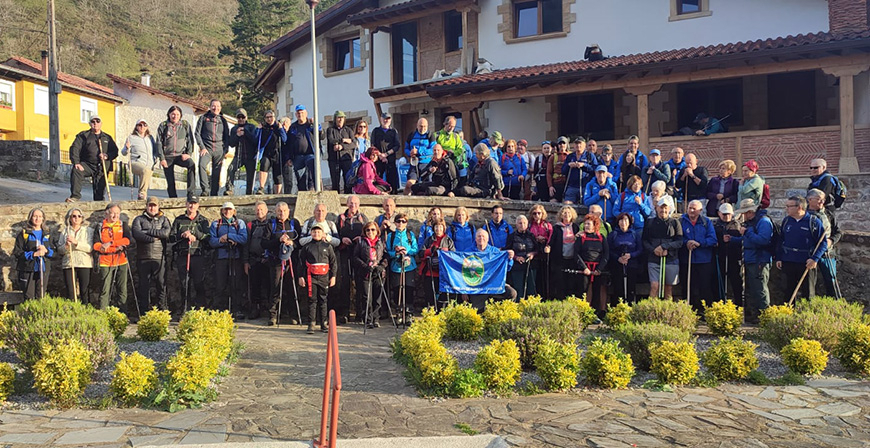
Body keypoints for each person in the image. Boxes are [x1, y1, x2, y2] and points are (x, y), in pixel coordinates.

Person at [728, 198, 771, 322]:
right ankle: (755, 315)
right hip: (751, 259)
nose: (743, 216)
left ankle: (764, 317)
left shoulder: (763, 222)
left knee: (760, 289)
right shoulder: (752, 222)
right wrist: (733, 239)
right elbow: (747, 241)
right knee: (752, 289)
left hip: (759, 260)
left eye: (744, 213)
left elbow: (763, 240)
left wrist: (747, 232)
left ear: (750, 211)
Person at [777, 196, 826, 302]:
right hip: (788, 260)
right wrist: (779, 257)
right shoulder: (786, 221)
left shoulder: (813, 222)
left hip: (806, 262)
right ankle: (788, 315)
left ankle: (807, 316)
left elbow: (823, 243)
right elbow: (781, 240)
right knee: (788, 291)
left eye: (789, 206)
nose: (787, 209)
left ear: (799, 207)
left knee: (808, 293)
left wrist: (815, 259)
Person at [169, 196, 210, 314]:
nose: (192, 206)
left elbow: (208, 238)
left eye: (194, 204)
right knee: (184, 284)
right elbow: (171, 238)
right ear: (186, 204)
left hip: (197, 256)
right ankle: (185, 310)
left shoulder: (203, 220)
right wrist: (182, 235)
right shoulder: (179, 220)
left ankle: (201, 310)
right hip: (183, 255)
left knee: (199, 283)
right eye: (190, 204)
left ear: (198, 205)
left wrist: (196, 234)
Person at [132, 196, 171, 314]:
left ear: (158, 207)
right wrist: (153, 238)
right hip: (143, 257)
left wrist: (147, 231)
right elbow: (137, 234)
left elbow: (166, 233)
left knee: (161, 284)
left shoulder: (164, 219)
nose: (152, 208)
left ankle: (162, 310)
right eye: (150, 205)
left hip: (159, 257)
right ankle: (144, 311)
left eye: (154, 205)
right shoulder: (138, 219)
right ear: (146, 206)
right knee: (144, 285)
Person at [264, 202, 301, 325]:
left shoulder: (294, 223)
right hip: (276, 261)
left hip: (291, 261)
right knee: (275, 287)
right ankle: (272, 315)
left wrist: (292, 243)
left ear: (288, 211)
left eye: (284, 210)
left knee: (291, 287)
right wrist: (278, 241)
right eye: (279, 211)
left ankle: (293, 314)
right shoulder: (270, 224)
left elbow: (300, 242)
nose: (282, 213)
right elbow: (264, 243)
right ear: (275, 211)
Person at [209, 202, 249, 317]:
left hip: (235, 257)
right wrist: (221, 240)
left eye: (230, 210)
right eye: (225, 210)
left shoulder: (239, 223)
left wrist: (229, 236)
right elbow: (211, 241)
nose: (227, 212)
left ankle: (236, 309)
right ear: (222, 211)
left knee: (236, 284)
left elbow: (244, 238)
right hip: (221, 258)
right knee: (220, 284)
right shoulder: (216, 224)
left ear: (234, 211)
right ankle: (218, 310)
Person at [67, 116, 119, 202]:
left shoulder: (107, 137)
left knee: (99, 192)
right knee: (76, 171)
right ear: (90, 123)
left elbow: (115, 151)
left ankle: (99, 203)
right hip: (87, 164)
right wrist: (76, 162)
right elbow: (75, 148)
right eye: (93, 121)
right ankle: (75, 197)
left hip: (102, 166)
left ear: (101, 123)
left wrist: (107, 156)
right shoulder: (83, 136)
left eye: (97, 121)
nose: (95, 123)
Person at [297, 223, 338, 334]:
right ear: (311, 233)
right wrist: (301, 276)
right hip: (311, 278)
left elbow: (333, 263)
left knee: (323, 300)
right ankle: (311, 324)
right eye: (314, 232)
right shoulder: (307, 247)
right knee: (312, 300)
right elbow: (301, 263)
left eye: (319, 232)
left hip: (324, 278)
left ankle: (323, 324)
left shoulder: (328, 247)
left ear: (323, 233)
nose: (316, 233)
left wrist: (333, 276)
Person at [679, 200, 717, 312]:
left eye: (694, 209)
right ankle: (688, 311)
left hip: (703, 260)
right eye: (689, 208)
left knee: (704, 287)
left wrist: (699, 243)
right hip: (687, 260)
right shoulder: (681, 221)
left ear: (700, 210)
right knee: (687, 286)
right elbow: (677, 237)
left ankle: (704, 311)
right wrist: (687, 242)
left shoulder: (706, 222)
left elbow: (712, 239)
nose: (691, 210)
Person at [93, 203, 132, 312]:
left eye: (117, 213)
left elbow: (127, 241)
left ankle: (123, 315)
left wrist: (110, 243)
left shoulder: (123, 225)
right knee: (105, 289)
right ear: (107, 214)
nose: (115, 216)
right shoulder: (100, 227)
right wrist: (114, 248)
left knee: (122, 289)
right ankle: (103, 314)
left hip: (121, 261)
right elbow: (96, 245)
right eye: (112, 213)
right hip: (105, 261)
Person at [335, 195, 368, 323]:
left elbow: (369, 233)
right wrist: (342, 239)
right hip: (345, 251)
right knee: (345, 282)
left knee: (360, 281)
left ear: (358, 205)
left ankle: (360, 313)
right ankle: (344, 313)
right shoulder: (341, 218)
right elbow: (336, 234)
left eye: (355, 203)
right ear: (347, 204)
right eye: (350, 203)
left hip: (359, 252)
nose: (353, 205)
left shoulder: (363, 218)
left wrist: (361, 238)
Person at [643, 197, 682, 300]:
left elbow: (679, 241)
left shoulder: (675, 223)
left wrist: (665, 247)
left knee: (668, 288)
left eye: (665, 208)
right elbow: (644, 241)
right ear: (656, 208)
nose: (663, 211)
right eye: (661, 208)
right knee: (654, 286)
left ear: (669, 209)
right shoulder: (650, 222)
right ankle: (651, 312)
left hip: (671, 259)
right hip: (653, 259)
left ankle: (666, 312)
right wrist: (654, 250)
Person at [467, 229, 517, 311]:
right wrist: (464, 292)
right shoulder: (468, 252)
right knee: (477, 312)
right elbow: (463, 273)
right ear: (475, 239)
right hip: (477, 288)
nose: (481, 238)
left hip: (495, 285)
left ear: (487, 239)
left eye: (483, 236)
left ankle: (502, 313)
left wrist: (510, 259)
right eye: (479, 236)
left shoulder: (495, 251)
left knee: (512, 293)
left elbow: (507, 268)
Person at [155, 106, 197, 199]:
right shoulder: (163, 125)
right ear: (169, 114)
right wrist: (162, 158)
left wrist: (188, 154)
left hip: (180, 155)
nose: (175, 116)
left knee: (191, 165)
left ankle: (191, 193)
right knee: (170, 180)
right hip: (167, 156)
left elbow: (190, 140)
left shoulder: (185, 125)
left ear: (180, 115)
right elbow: (158, 143)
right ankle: (173, 198)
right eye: (173, 114)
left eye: (177, 114)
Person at [352, 222, 388, 328]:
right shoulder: (361, 242)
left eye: (373, 230)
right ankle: (367, 319)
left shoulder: (381, 242)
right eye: (368, 230)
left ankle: (375, 318)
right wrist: (364, 266)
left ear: (377, 231)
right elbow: (355, 257)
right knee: (366, 297)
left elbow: (386, 256)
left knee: (377, 297)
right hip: (365, 273)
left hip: (378, 273)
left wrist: (382, 266)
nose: (370, 232)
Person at [807, 189, 842, 298]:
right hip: (810, 254)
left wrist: (831, 241)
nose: (821, 202)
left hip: (827, 253)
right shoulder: (804, 215)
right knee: (809, 283)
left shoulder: (828, 214)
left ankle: (835, 304)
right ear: (809, 200)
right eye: (818, 199)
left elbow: (838, 232)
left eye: (823, 200)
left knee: (831, 280)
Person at [13, 208, 54, 300]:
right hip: (27, 269)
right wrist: (33, 254)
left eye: (40, 217)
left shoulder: (47, 234)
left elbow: (54, 252)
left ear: (43, 219)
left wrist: (46, 251)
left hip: (42, 269)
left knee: (41, 297)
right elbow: (17, 252)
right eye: (35, 216)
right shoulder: (24, 234)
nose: (37, 219)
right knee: (29, 296)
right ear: (30, 218)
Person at [385, 213, 417, 322]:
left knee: (409, 289)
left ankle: (408, 313)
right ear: (395, 223)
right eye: (398, 221)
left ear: (406, 223)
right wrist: (396, 253)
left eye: (403, 221)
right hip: (396, 266)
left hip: (409, 266)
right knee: (397, 289)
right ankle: (399, 312)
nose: (401, 223)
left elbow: (415, 249)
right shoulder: (391, 236)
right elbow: (388, 251)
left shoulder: (410, 235)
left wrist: (406, 251)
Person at [57, 207, 93, 303]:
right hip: (69, 263)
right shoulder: (65, 231)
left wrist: (76, 243)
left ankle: (86, 311)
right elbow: (59, 250)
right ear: (69, 218)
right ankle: (73, 310)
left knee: (84, 290)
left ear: (82, 218)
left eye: (79, 216)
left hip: (84, 263)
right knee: (70, 291)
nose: (76, 218)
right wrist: (66, 246)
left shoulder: (88, 231)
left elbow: (90, 248)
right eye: (74, 216)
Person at [244, 201, 273, 321]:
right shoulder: (251, 225)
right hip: (253, 260)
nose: (259, 212)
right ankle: (255, 309)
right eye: (257, 210)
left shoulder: (271, 224)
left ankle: (269, 309)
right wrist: (245, 261)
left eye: (261, 209)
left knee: (270, 286)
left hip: (268, 259)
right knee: (254, 286)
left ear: (266, 211)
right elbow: (246, 244)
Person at [576, 215, 609, 318]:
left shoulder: (601, 238)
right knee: (584, 290)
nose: (586, 226)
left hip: (597, 269)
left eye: (588, 224)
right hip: (584, 268)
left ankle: (596, 314)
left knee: (597, 291)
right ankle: (583, 312)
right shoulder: (581, 238)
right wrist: (584, 268)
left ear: (595, 225)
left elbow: (606, 254)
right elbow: (576, 254)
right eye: (585, 224)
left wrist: (599, 269)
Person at [195, 99, 230, 196]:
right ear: (210, 107)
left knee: (216, 171)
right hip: (207, 147)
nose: (216, 108)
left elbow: (227, 136)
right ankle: (205, 190)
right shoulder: (203, 118)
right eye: (213, 106)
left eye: (218, 106)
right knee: (201, 165)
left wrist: (225, 150)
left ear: (220, 108)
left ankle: (214, 193)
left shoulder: (223, 120)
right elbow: (197, 133)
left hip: (219, 149)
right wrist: (202, 147)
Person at [417, 217, 453, 309]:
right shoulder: (428, 240)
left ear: (444, 228)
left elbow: (453, 256)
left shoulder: (448, 240)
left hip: (443, 273)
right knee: (430, 295)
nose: (438, 229)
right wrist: (431, 251)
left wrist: (444, 251)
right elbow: (421, 253)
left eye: (440, 227)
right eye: (436, 227)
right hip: (430, 272)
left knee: (442, 297)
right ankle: (431, 313)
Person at [546, 205, 581, 300]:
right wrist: (548, 247)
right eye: (564, 213)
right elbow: (551, 241)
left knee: (571, 282)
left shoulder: (575, 227)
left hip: (572, 258)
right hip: (560, 258)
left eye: (569, 213)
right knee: (560, 282)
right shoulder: (557, 228)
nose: (567, 215)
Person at [608, 212, 643, 304]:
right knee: (618, 288)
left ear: (629, 222)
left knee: (631, 288)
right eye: (621, 220)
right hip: (617, 265)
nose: (624, 222)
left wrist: (630, 256)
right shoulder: (613, 235)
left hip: (632, 265)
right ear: (618, 222)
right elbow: (609, 250)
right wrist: (618, 258)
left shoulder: (635, 234)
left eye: (626, 220)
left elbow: (640, 250)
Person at [714, 203, 743, 306]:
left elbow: (742, 241)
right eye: (724, 214)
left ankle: (738, 305)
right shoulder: (715, 226)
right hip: (720, 257)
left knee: (736, 282)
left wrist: (732, 240)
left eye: (728, 214)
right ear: (719, 213)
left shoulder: (737, 225)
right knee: (719, 282)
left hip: (734, 257)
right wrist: (720, 241)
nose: (726, 216)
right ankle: (719, 304)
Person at [288, 105, 322, 192]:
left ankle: (317, 190)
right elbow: (289, 143)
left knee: (313, 168)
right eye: (298, 113)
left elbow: (322, 136)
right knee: (300, 177)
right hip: (298, 156)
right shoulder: (293, 127)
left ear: (306, 113)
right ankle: (302, 193)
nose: (300, 115)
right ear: (296, 114)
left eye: (302, 113)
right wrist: (289, 157)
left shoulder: (311, 124)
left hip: (310, 154)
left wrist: (315, 125)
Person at [254, 110, 288, 195]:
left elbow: (284, 139)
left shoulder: (278, 127)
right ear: (265, 119)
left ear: (274, 117)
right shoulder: (263, 127)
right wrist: (258, 130)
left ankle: (278, 194)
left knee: (277, 175)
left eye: (271, 117)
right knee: (264, 165)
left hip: (277, 153)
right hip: (267, 153)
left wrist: (280, 129)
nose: (269, 119)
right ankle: (261, 188)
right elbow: (255, 139)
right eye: (267, 117)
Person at [227, 108, 259, 195]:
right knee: (231, 169)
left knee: (250, 176)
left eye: (242, 117)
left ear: (246, 117)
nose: (241, 119)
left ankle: (249, 193)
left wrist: (246, 133)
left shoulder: (252, 127)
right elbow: (231, 143)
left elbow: (255, 140)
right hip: (239, 155)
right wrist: (237, 135)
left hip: (250, 156)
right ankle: (229, 189)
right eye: (239, 117)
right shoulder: (234, 129)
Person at [122, 119, 156, 200]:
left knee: (146, 176)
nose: (142, 127)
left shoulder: (150, 138)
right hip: (135, 163)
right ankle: (142, 193)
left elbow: (155, 150)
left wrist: (156, 160)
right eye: (140, 125)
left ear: (147, 127)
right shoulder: (131, 137)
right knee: (145, 171)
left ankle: (142, 199)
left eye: (144, 125)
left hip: (149, 164)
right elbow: (123, 153)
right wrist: (126, 148)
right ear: (136, 127)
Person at [506, 215, 537, 298]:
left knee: (531, 289)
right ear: (516, 224)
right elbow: (508, 250)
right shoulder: (512, 236)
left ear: (527, 224)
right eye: (520, 223)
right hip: (517, 266)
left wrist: (532, 254)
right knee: (518, 288)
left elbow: (537, 250)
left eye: (524, 223)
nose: (522, 225)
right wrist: (516, 257)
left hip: (530, 265)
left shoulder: (531, 236)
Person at [326, 111, 357, 193]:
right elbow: (331, 140)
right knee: (335, 181)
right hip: (334, 159)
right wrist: (344, 140)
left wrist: (342, 146)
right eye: (338, 118)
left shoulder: (348, 130)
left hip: (346, 159)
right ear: (335, 119)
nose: (340, 120)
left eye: (342, 118)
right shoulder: (330, 130)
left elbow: (354, 144)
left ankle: (347, 197)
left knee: (347, 180)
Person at [403, 118, 436, 194]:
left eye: (425, 126)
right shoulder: (411, 135)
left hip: (426, 164)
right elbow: (406, 149)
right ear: (417, 126)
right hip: (414, 163)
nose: (423, 128)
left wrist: (419, 151)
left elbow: (432, 150)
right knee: (409, 184)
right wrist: (410, 153)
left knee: (426, 187)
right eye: (421, 126)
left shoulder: (431, 135)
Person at [371, 112, 402, 191]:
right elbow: (372, 145)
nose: (386, 120)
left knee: (392, 181)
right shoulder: (376, 131)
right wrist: (381, 155)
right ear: (381, 119)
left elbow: (397, 146)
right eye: (384, 119)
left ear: (390, 120)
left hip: (390, 160)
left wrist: (386, 154)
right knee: (377, 180)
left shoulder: (394, 131)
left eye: (388, 119)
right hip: (378, 160)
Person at [528, 204, 553, 299]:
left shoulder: (547, 225)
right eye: (534, 213)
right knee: (535, 277)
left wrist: (544, 238)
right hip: (534, 252)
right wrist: (535, 238)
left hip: (544, 253)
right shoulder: (530, 225)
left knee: (545, 276)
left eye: (539, 213)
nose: (537, 215)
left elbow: (551, 238)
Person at [562, 137, 597, 204]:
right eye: (576, 144)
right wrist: (569, 165)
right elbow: (563, 171)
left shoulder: (590, 156)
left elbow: (595, 169)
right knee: (567, 205)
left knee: (586, 205)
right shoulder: (570, 156)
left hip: (586, 186)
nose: (578, 146)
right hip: (572, 186)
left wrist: (584, 165)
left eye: (580, 144)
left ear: (584, 145)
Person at [435, 116, 465, 184]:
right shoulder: (437, 135)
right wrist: (443, 152)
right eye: (449, 126)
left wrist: (453, 153)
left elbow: (460, 150)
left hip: (452, 162)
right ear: (445, 124)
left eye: (453, 126)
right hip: (440, 163)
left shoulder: (456, 136)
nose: (451, 128)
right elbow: (434, 149)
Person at [547, 137, 570, 202]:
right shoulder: (553, 157)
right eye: (560, 144)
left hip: (567, 183)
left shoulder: (571, 156)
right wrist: (550, 186)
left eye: (564, 143)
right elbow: (549, 173)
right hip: (556, 183)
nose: (562, 145)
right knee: (553, 202)